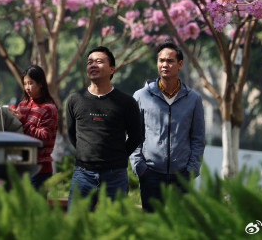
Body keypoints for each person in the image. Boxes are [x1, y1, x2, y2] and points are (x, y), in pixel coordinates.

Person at [130, 41, 205, 211]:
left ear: (180, 64)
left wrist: (191, 170)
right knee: (152, 227)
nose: (165, 65)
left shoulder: (193, 99)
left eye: (170, 61)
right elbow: (134, 135)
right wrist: (139, 167)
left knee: (178, 228)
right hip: (150, 174)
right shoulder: (141, 96)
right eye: (161, 60)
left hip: (182, 176)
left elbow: (198, 138)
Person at [66, 46, 142, 207]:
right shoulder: (75, 99)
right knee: (76, 225)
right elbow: (72, 134)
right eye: (89, 62)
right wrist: (87, 154)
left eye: (99, 61)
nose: (93, 65)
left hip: (115, 175)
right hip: (83, 174)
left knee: (115, 225)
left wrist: (118, 155)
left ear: (112, 69)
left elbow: (136, 136)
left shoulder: (126, 102)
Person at [12, 65, 58, 189]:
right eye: (25, 83)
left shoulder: (49, 108)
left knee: (35, 208)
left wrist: (22, 121)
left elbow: (43, 138)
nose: (27, 87)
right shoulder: (22, 105)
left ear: (41, 83)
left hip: (39, 169)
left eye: (30, 83)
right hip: (20, 165)